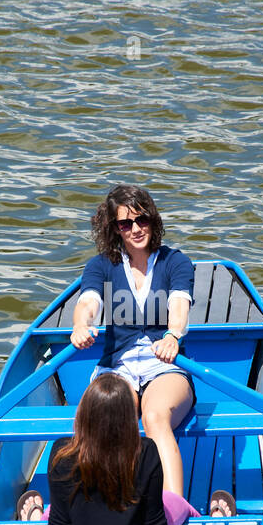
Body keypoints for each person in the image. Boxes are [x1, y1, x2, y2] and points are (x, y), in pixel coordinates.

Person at [21, 374, 234, 525]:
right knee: (174, 501)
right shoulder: (146, 451)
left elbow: (61, 522)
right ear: (129, 418)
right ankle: (214, 519)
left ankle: (34, 516)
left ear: (84, 415)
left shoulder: (61, 452)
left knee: (54, 511)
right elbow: (154, 523)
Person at [69, 184, 197, 499]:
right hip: (118, 364)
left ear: (153, 220)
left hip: (165, 362)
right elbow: (88, 303)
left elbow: (179, 307)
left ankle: (173, 508)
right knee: (110, 418)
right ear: (114, 229)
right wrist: (79, 326)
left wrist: (172, 335)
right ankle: (107, 508)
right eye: (125, 224)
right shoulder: (101, 266)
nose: (136, 229)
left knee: (154, 417)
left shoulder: (175, 262)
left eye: (142, 220)